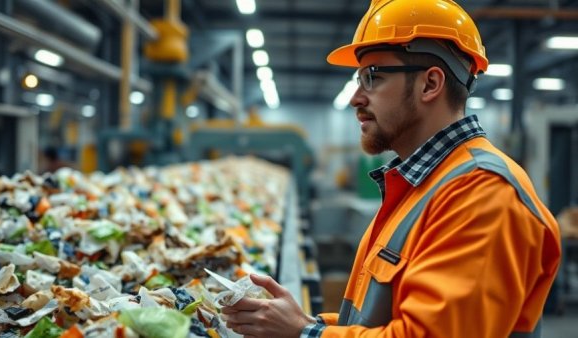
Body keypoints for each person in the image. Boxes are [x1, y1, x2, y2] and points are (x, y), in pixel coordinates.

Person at [221, 0, 562, 337]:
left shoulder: (484, 194)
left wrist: (304, 334)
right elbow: (380, 322)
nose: (356, 97)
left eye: (373, 77)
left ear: (430, 84)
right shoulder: (420, 186)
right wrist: (307, 324)